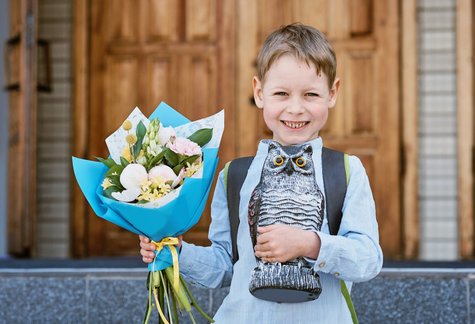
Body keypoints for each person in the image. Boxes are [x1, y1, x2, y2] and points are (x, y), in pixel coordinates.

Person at [139, 23, 383, 323]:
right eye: (281, 93)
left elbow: (368, 260)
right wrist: (176, 253)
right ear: (259, 92)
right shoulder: (235, 175)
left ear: (332, 93)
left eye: (310, 95)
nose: (295, 108)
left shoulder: (346, 172)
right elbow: (225, 267)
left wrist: (311, 244)